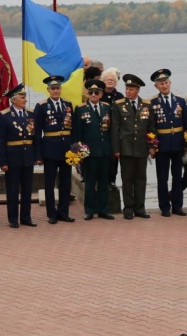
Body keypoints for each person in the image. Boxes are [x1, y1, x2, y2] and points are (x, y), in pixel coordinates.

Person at [111, 73, 156, 219]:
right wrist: (116, 149)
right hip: (126, 147)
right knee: (127, 179)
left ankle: (140, 207)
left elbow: (151, 128)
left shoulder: (147, 105)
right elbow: (115, 129)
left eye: (131, 89)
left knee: (141, 179)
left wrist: (152, 145)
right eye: (127, 88)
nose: (128, 91)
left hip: (142, 147)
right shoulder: (118, 105)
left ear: (137, 90)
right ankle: (128, 207)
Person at [34, 75, 75, 224]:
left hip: (67, 149)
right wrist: (38, 154)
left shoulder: (68, 104)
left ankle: (63, 212)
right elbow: (37, 132)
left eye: (57, 88)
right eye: (52, 88)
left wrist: (76, 149)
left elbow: (74, 128)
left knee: (65, 183)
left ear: (61, 89)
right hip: (50, 148)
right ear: (48, 90)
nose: (55, 91)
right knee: (49, 183)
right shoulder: (42, 106)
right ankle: (51, 213)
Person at [0, 83, 37, 228]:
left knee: (27, 189)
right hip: (12, 157)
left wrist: (37, 156)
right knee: (13, 190)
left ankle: (26, 217)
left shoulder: (31, 114)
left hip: (28, 156)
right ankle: (13, 218)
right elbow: (0, 140)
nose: (25, 100)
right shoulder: (4, 115)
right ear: (14, 100)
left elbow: (35, 137)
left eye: (25, 97)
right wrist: (2, 161)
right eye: (22, 97)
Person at [73, 79, 114, 220]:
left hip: (104, 151)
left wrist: (112, 150)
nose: (94, 95)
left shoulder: (107, 108)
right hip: (89, 152)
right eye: (91, 92)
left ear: (101, 94)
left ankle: (103, 210)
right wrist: (79, 152)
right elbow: (77, 133)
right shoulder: (80, 109)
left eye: (97, 92)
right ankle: (89, 210)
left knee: (104, 182)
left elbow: (111, 131)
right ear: (88, 94)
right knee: (90, 182)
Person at [150, 68, 187, 217]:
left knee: (177, 176)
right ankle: (164, 207)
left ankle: (178, 206)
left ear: (170, 83)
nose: (164, 86)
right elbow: (151, 127)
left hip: (178, 144)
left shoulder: (180, 101)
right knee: (162, 178)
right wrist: (153, 145)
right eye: (161, 84)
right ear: (156, 86)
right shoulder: (153, 103)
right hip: (162, 145)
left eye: (166, 83)